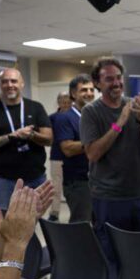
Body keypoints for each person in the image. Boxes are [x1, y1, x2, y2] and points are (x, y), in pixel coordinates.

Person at [81, 57, 140, 279]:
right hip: (107, 198)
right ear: (97, 83)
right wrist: (119, 122)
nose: (115, 83)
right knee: (114, 257)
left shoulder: (134, 106)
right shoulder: (92, 113)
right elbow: (92, 152)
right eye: (109, 79)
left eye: (118, 78)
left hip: (138, 194)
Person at [0, 68, 53, 234]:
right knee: (2, 228)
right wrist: (12, 136)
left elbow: (48, 139)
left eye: (14, 81)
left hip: (34, 178)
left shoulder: (35, 107)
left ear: (22, 84)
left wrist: (31, 135)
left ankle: (27, 259)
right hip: (0, 180)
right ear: (0, 85)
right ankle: (4, 260)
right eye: (5, 81)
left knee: (30, 226)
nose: (9, 85)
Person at [53, 76, 94, 223]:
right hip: (78, 182)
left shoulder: (94, 114)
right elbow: (68, 149)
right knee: (81, 224)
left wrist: (115, 128)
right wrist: (96, 142)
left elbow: (112, 132)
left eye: (91, 89)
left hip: (98, 179)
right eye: (84, 90)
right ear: (73, 93)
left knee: (99, 224)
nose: (89, 93)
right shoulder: (65, 118)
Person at [46, 93, 71, 221]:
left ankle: (77, 211)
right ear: (59, 102)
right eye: (63, 102)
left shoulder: (76, 116)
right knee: (56, 186)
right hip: (57, 157)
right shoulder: (52, 118)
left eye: (68, 102)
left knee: (75, 186)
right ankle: (54, 212)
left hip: (74, 158)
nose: (66, 104)